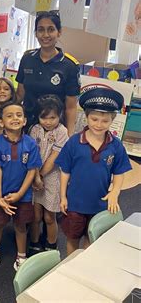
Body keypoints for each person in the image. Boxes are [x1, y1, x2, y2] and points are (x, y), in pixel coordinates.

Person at [56, 88, 132, 255]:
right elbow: (65, 171)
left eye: (105, 121)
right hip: (75, 203)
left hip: (99, 203)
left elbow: (119, 171)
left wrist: (115, 192)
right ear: (87, 117)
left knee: (92, 238)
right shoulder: (74, 142)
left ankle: (84, 265)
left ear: (112, 120)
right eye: (94, 119)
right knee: (72, 238)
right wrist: (62, 196)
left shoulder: (116, 145)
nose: (98, 124)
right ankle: (71, 266)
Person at [0, 102, 42, 274]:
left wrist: (20, 194)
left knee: (21, 226)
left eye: (19, 115)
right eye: (9, 115)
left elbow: (31, 171)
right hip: (1, 195)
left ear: (25, 120)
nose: (15, 118)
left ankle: (22, 256)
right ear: (1, 122)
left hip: (23, 196)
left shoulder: (30, 144)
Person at [15, 11, 81, 135]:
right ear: (35, 33)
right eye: (40, 30)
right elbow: (19, 95)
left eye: (51, 29)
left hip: (54, 130)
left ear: (59, 32)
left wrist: (69, 136)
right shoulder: (27, 59)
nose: (45, 35)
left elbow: (71, 107)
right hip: (26, 126)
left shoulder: (69, 65)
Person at [28, 95, 68, 255]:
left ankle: (51, 245)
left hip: (52, 178)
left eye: (53, 117)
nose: (48, 121)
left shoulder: (62, 131)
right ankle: (35, 242)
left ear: (60, 115)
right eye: (44, 117)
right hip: (34, 175)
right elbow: (32, 155)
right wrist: (35, 177)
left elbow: (53, 158)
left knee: (49, 216)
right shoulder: (34, 129)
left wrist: (41, 176)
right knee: (35, 216)